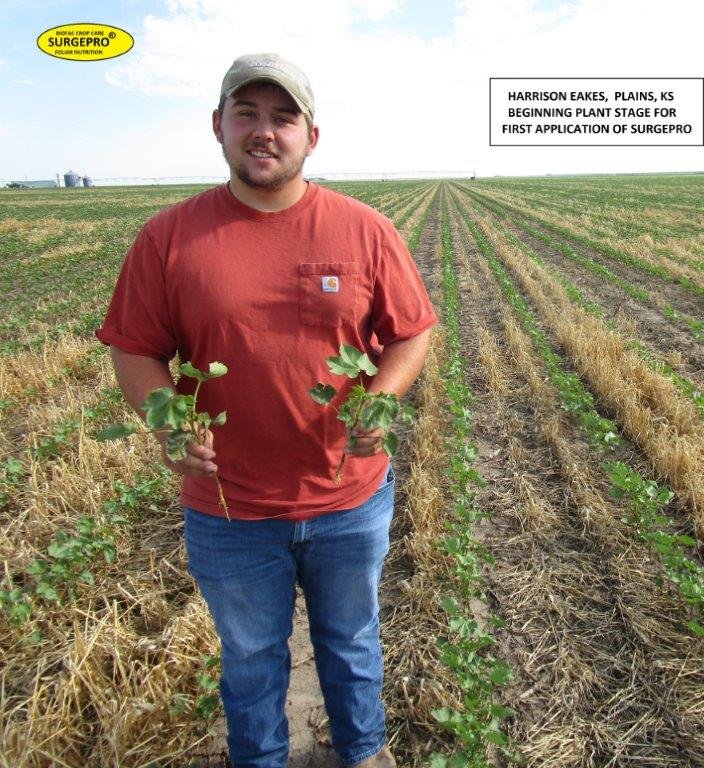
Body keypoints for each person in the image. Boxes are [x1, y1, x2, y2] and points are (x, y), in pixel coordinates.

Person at [95, 53, 437, 768]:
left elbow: (412, 330)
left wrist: (379, 399)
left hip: (350, 498)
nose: (264, 131)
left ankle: (363, 752)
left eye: (283, 117)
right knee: (250, 659)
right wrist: (167, 420)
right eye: (245, 114)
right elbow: (134, 348)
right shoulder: (169, 237)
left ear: (311, 136)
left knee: (351, 642)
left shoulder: (365, 230)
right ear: (217, 126)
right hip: (230, 511)